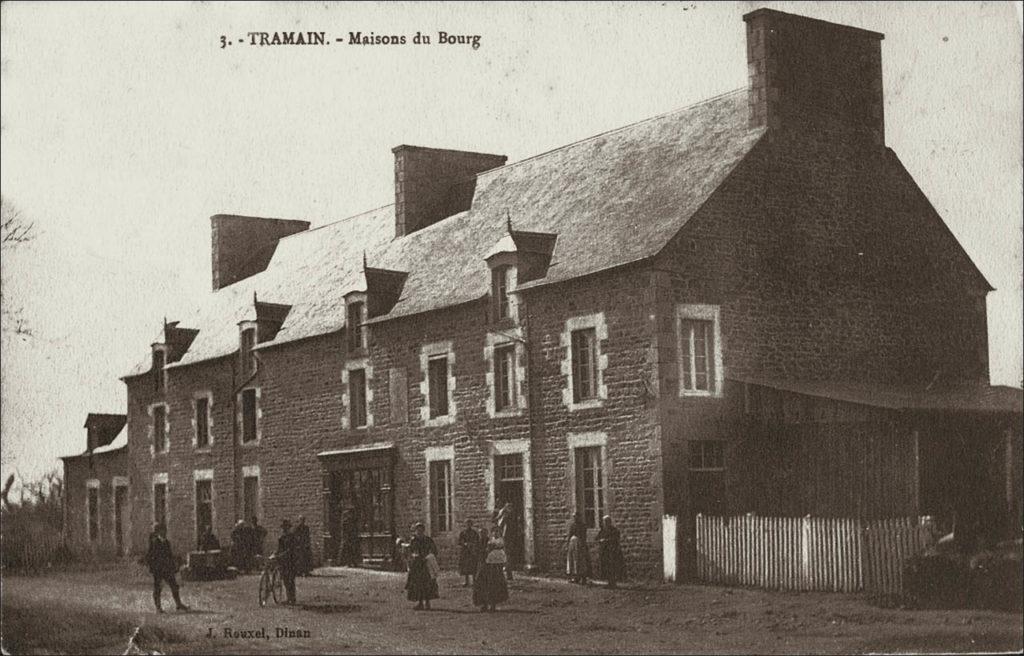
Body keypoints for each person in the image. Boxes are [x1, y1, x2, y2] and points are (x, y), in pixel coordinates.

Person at [144, 522, 189, 613]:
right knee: (158, 588)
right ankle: (158, 608)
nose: (165, 532)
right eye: (162, 530)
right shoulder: (155, 542)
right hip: (158, 569)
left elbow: (170, 556)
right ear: (159, 532)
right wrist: (153, 568)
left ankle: (178, 604)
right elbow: (150, 556)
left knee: (174, 586)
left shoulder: (167, 542)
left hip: (167, 569)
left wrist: (174, 566)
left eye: (165, 530)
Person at [473, 526, 510, 612]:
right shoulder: (479, 542)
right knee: (481, 584)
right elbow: (476, 553)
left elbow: (500, 553)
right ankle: (484, 604)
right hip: (482, 565)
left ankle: (493, 604)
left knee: (493, 584)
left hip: (492, 566)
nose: (482, 534)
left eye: (484, 533)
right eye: (481, 533)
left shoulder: (491, 541)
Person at [404, 522, 438, 610]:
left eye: (421, 530)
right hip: (417, 565)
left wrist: (429, 556)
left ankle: (427, 602)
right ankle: (420, 602)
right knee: (417, 584)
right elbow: (410, 551)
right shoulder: (414, 540)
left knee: (427, 583)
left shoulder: (428, 540)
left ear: (423, 530)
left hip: (426, 564)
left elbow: (434, 550)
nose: (419, 532)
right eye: (417, 530)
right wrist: (412, 556)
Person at [597, 515, 626, 589]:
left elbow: (615, 539)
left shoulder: (614, 530)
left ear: (609, 522)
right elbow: (597, 537)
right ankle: (609, 582)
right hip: (605, 552)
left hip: (612, 552)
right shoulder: (603, 530)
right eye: (604, 522)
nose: (604, 523)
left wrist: (606, 540)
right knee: (606, 567)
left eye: (606, 522)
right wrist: (599, 540)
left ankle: (613, 583)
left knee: (613, 567)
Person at [565, 512, 592, 585]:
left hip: (580, 544)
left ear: (579, 517)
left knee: (582, 561)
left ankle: (583, 578)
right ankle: (576, 577)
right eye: (574, 517)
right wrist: (567, 545)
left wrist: (583, 544)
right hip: (573, 545)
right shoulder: (572, 525)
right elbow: (570, 535)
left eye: (576, 517)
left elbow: (583, 536)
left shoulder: (583, 525)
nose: (575, 518)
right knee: (573, 561)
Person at [275, 519, 298, 605]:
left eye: (286, 527)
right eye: (284, 528)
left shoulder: (292, 537)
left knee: (290, 579)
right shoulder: (281, 537)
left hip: (291, 560)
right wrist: (276, 554)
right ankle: (289, 598)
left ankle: (292, 598)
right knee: (285, 579)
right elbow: (279, 548)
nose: (285, 529)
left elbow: (291, 549)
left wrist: (283, 554)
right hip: (283, 561)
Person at [495, 502, 517, 580]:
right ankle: (508, 574)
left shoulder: (507, 517)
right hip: (506, 537)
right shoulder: (508, 516)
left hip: (506, 537)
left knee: (506, 555)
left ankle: (508, 574)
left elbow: (500, 525)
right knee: (506, 555)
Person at [457, 519, 481, 587]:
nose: (468, 525)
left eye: (470, 524)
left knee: (473, 566)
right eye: (467, 524)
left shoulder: (474, 533)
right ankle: (466, 581)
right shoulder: (463, 533)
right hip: (465, 552)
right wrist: (465, 544)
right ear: (465, 525)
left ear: (472, 525)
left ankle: (474, 580)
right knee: (465, 567)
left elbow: (478, 541)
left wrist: (473, 545)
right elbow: (459, 542)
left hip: (472, 551)